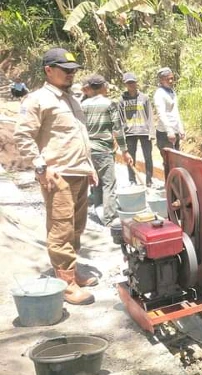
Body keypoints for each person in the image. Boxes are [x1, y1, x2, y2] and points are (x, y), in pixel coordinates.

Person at [13, 47, 98, 305]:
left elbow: (78, 136)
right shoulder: (37, 100)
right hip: (57, 174)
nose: (71, 74)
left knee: (76, 227)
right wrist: (41, 166)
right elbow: (22, 136)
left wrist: (90, 165)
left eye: (73, 70)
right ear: (48, 70)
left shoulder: (71, 99)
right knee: (61, 228)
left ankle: (72, 271)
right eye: (66, 70)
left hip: (79, 172)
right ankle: (66, 283)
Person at [81, 74, 132, 226]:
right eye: (106, 85)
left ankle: (99, 208)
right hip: (103, 149)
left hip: (88, 150)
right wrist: (125, 150)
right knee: (109, 183)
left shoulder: (83, 105)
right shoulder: (109, 104)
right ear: (101, 87)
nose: (108, 88)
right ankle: (109, 217)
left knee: (95, 180)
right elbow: (117, 129)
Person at [120, 72, 154, 187]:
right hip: (129, 133)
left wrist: (151, 132)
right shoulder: (122, 100)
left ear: (136, 83)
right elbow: (120, 118)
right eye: (129, 83)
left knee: (148, 157)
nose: (131, 85)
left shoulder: (144, 98)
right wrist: (121, 134)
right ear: (125, 84)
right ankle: (132, 180)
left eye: (133, 82)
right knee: (131, 158)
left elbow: (150, 116)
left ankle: (149, 180)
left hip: (144, 132)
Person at [154, 67, 185, 172]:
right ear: (161, 80)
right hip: (165, 133)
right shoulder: (159, 94)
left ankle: (175, 185)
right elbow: (161, 113)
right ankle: (169, 185)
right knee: (169, 161)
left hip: (174, 131)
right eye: (168, 79)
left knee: (176, 161)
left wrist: (180, 128)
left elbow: (175, 111)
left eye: (172, 78)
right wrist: (169, 131)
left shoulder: (172, 92)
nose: (171, 81)